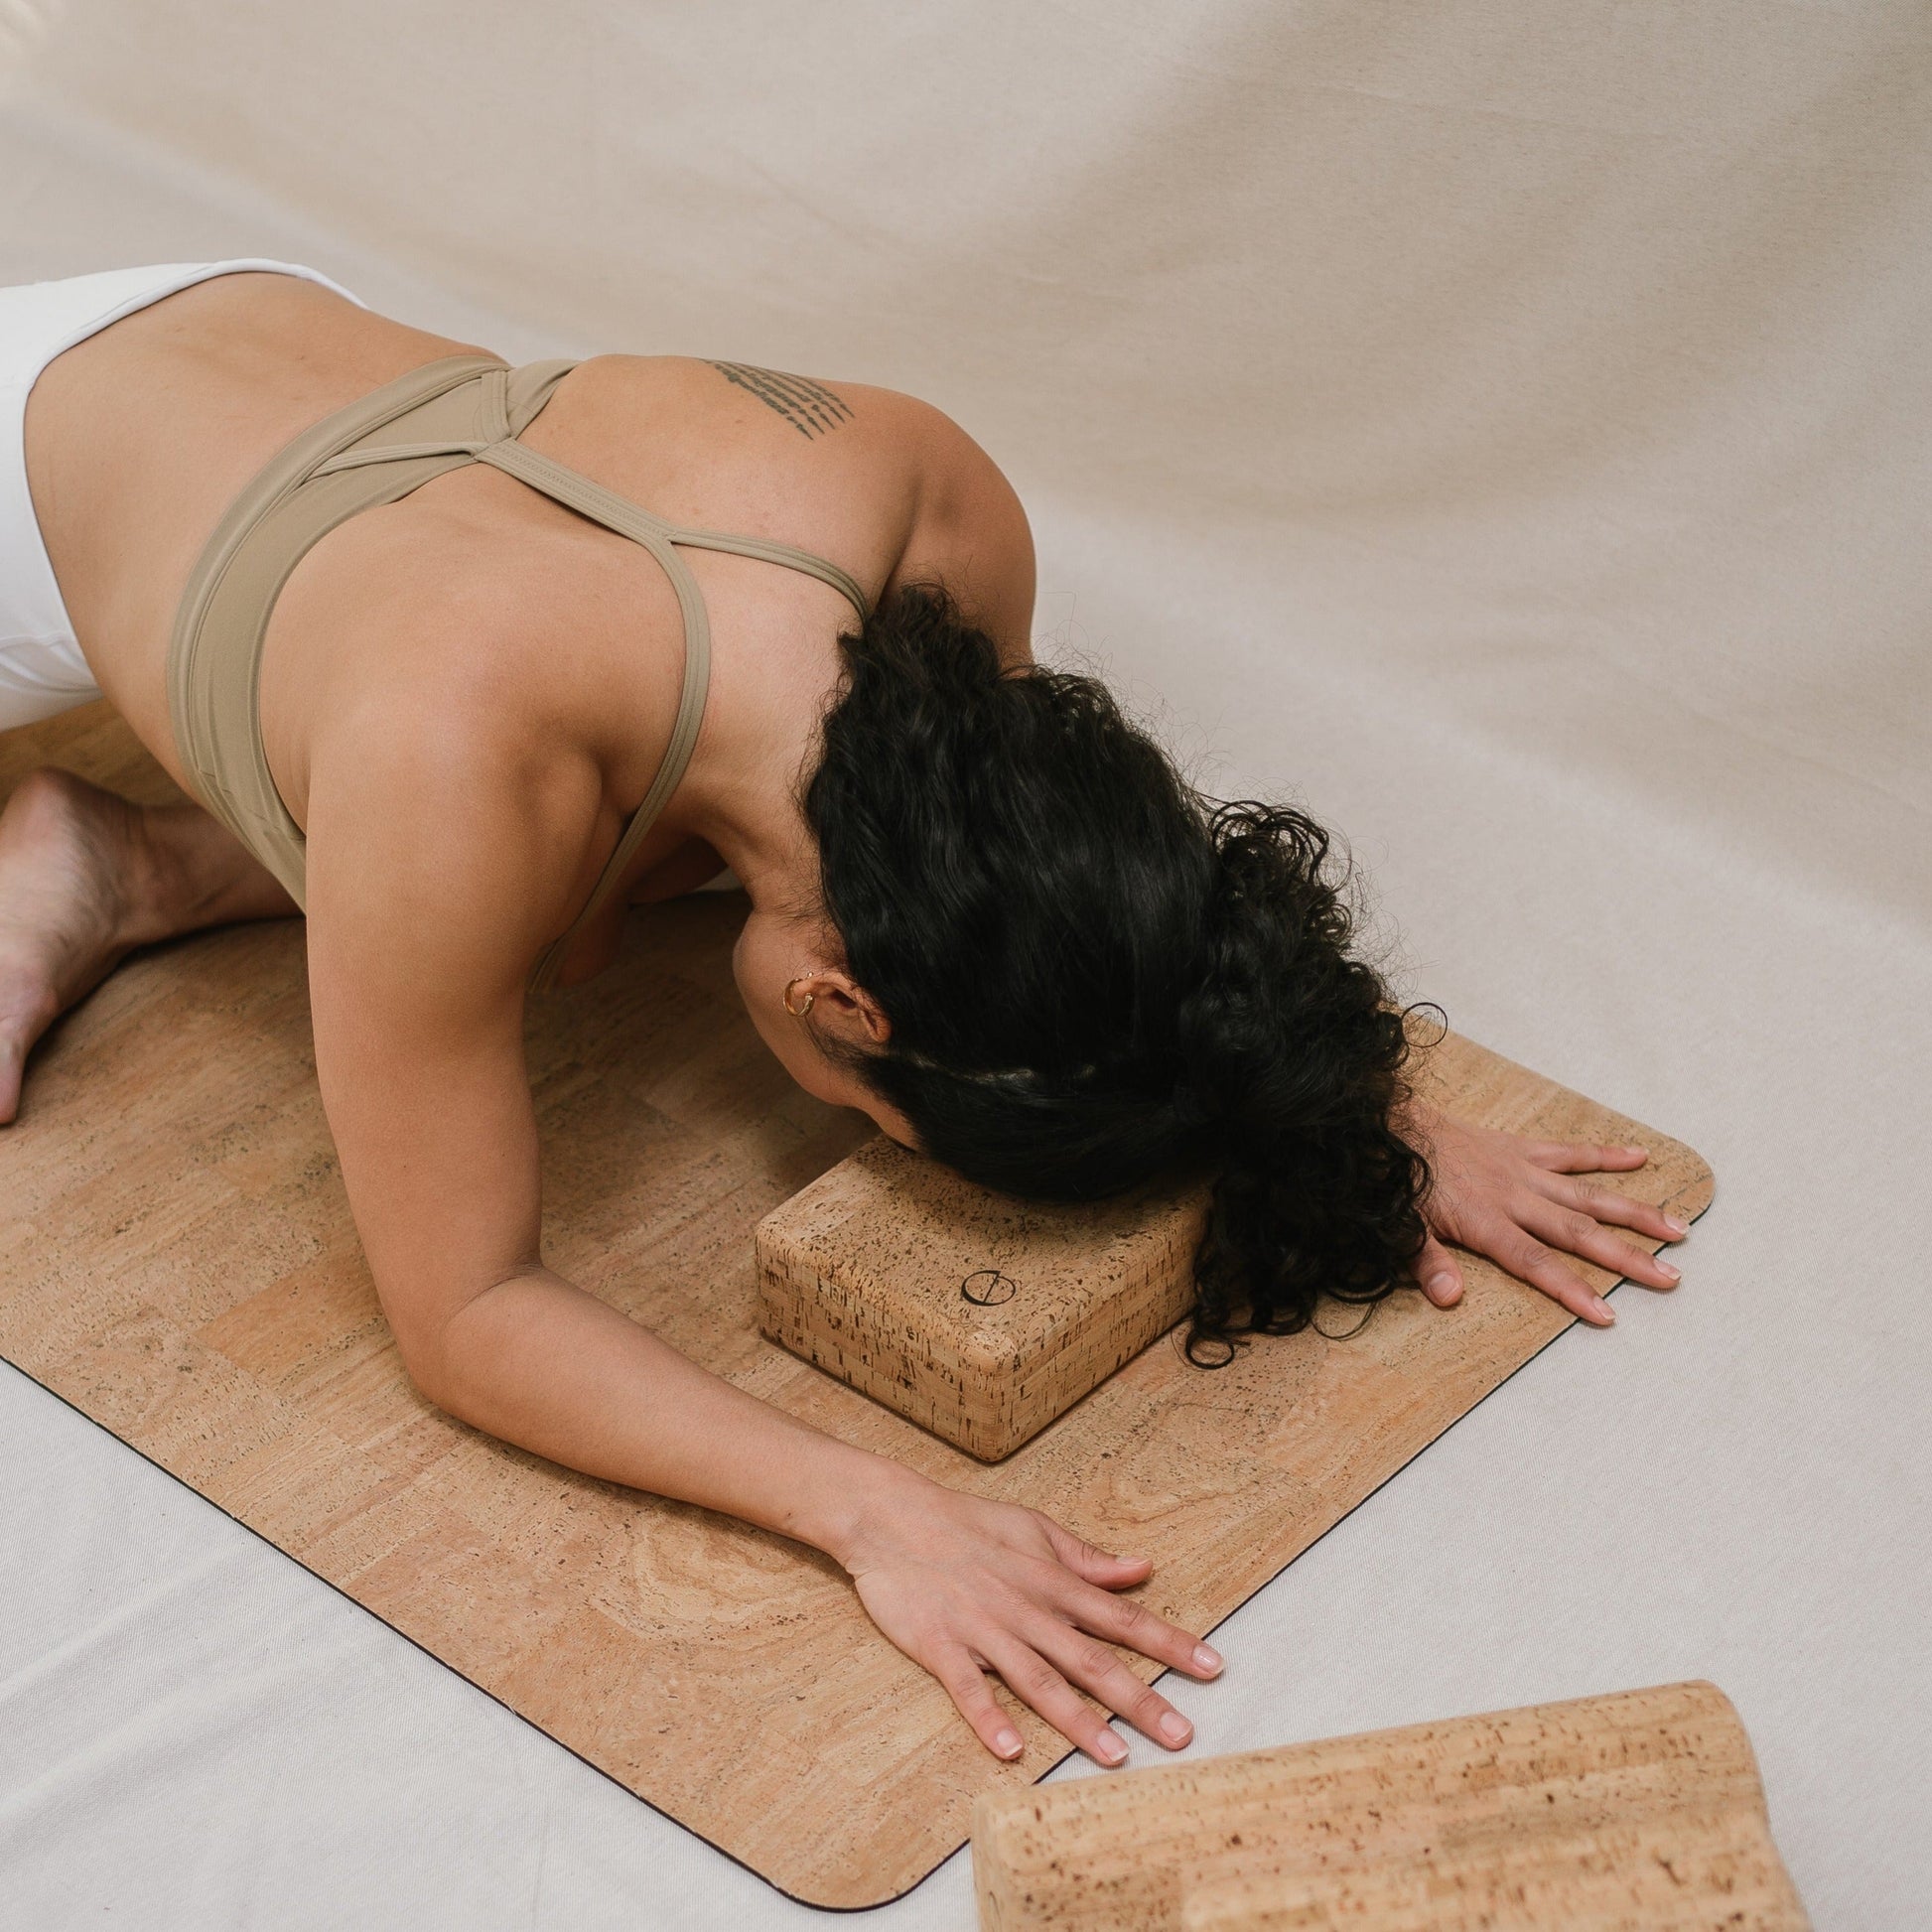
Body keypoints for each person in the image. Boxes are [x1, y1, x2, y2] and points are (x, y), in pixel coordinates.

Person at [0, 260, 1687, 1768]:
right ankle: (128, 854)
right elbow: (464, 1311)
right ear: (840, 1004)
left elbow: (1067, 847)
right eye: (875, 1112)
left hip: (246, 329)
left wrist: (1347, 1098)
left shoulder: (912, 491)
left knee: (605, 859)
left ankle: (123, 865)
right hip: (40, 475)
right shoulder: (455, 767)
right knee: (509, 877)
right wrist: (880, 1515)